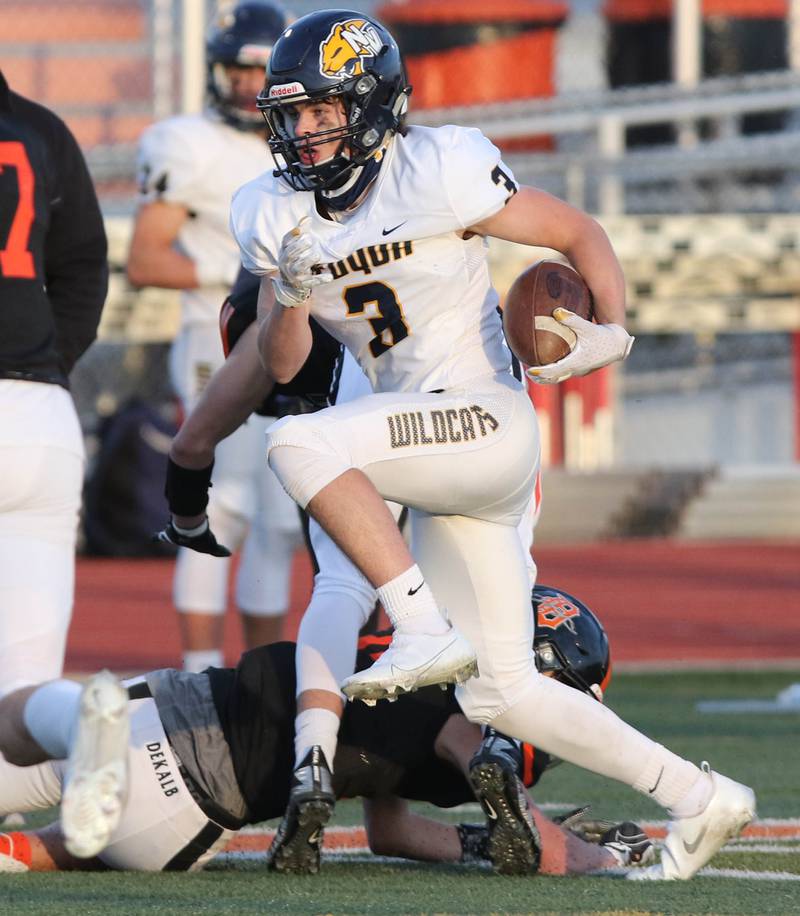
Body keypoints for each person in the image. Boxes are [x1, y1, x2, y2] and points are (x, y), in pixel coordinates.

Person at [228, 9, 756, 882]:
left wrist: (612, 331)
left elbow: (577, 233)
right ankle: (703, 799)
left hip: (483, 421)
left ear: (371, 103)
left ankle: (422, 627)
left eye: (324, 110)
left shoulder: (440, 167)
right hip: (420, 444)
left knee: (301, 448)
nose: (307, 131)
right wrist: (286, 294)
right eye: (294, 114)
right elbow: (284, 365)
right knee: (502, 690)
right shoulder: (271, 209)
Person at [0, 586, 651, 875]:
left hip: (168, 718)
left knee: (23, 726)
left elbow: (481, 766)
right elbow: (391, 828)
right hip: (174, 825)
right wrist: (602, 855)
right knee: (52, 846)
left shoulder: (422, 666)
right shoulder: (466, 726)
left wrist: (530, 829)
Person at [126, 1, 300, 672]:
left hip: (291, 343)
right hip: (215, 338)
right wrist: (246, 282)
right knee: (221, 507)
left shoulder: (305, 139)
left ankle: (260, 685)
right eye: (236, 69)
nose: (246, 85)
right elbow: (146, 258)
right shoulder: (186, 142)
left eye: (260, 70)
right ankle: (200, 678)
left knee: (281, 521)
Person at [0, 70, 108, 697]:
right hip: (40, 417)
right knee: (27, 682)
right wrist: (45, 364)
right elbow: (85, 269)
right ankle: (78, 724)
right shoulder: (40, 128)